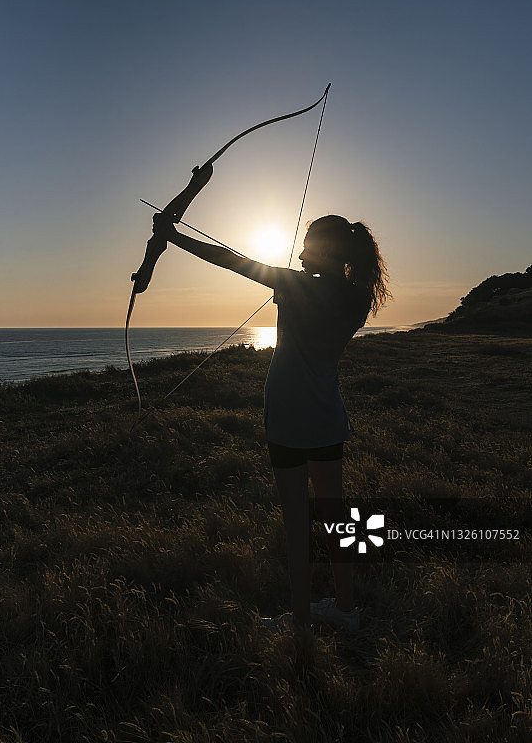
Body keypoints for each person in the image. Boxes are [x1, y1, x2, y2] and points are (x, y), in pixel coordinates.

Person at [152, 164, 390, 637]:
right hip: (327, 417)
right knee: (336, 518)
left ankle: (301, 624)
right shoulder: (358, 297)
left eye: (308, 247)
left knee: (297, 524)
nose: (300, 254)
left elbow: (232, 260)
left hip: (287, 415)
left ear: (326, 252)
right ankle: (345, 608)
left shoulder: (301, 285)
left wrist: (172, 237)